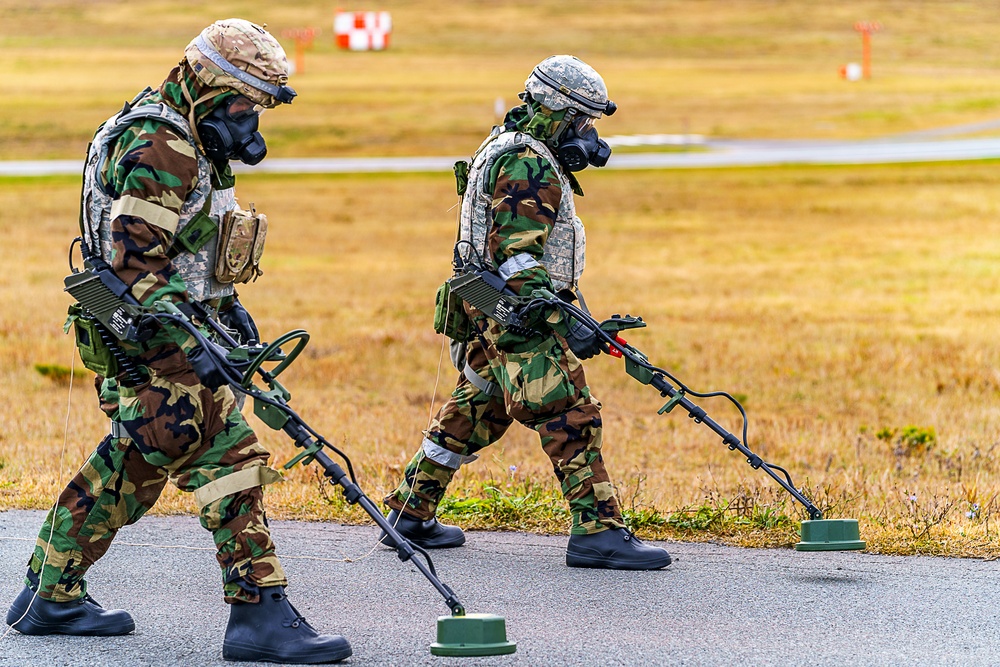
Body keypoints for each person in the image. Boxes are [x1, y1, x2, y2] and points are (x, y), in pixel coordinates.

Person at [4, 19, 351, 664]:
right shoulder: (164, 144)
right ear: (210, 89)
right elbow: (134, 264)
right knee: (230, 457)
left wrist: (227, 308)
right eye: (245, 107)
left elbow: (181, 250)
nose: (251, 126)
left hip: (155, 333)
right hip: (155, 341)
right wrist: (195, 339)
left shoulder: (176, 131)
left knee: (133, 466)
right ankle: (259, 614)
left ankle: (50, 594)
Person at [381, 55, 672, 571]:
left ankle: (409, 513)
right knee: (569, 412)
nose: (588, 135)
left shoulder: (504, 146)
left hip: (491, 305)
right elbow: (517, 256)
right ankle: (598, 532)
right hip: (517, 312)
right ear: (559, 111)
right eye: (583, 122)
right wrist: (565, 323)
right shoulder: (529, 163)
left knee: (475, 412)